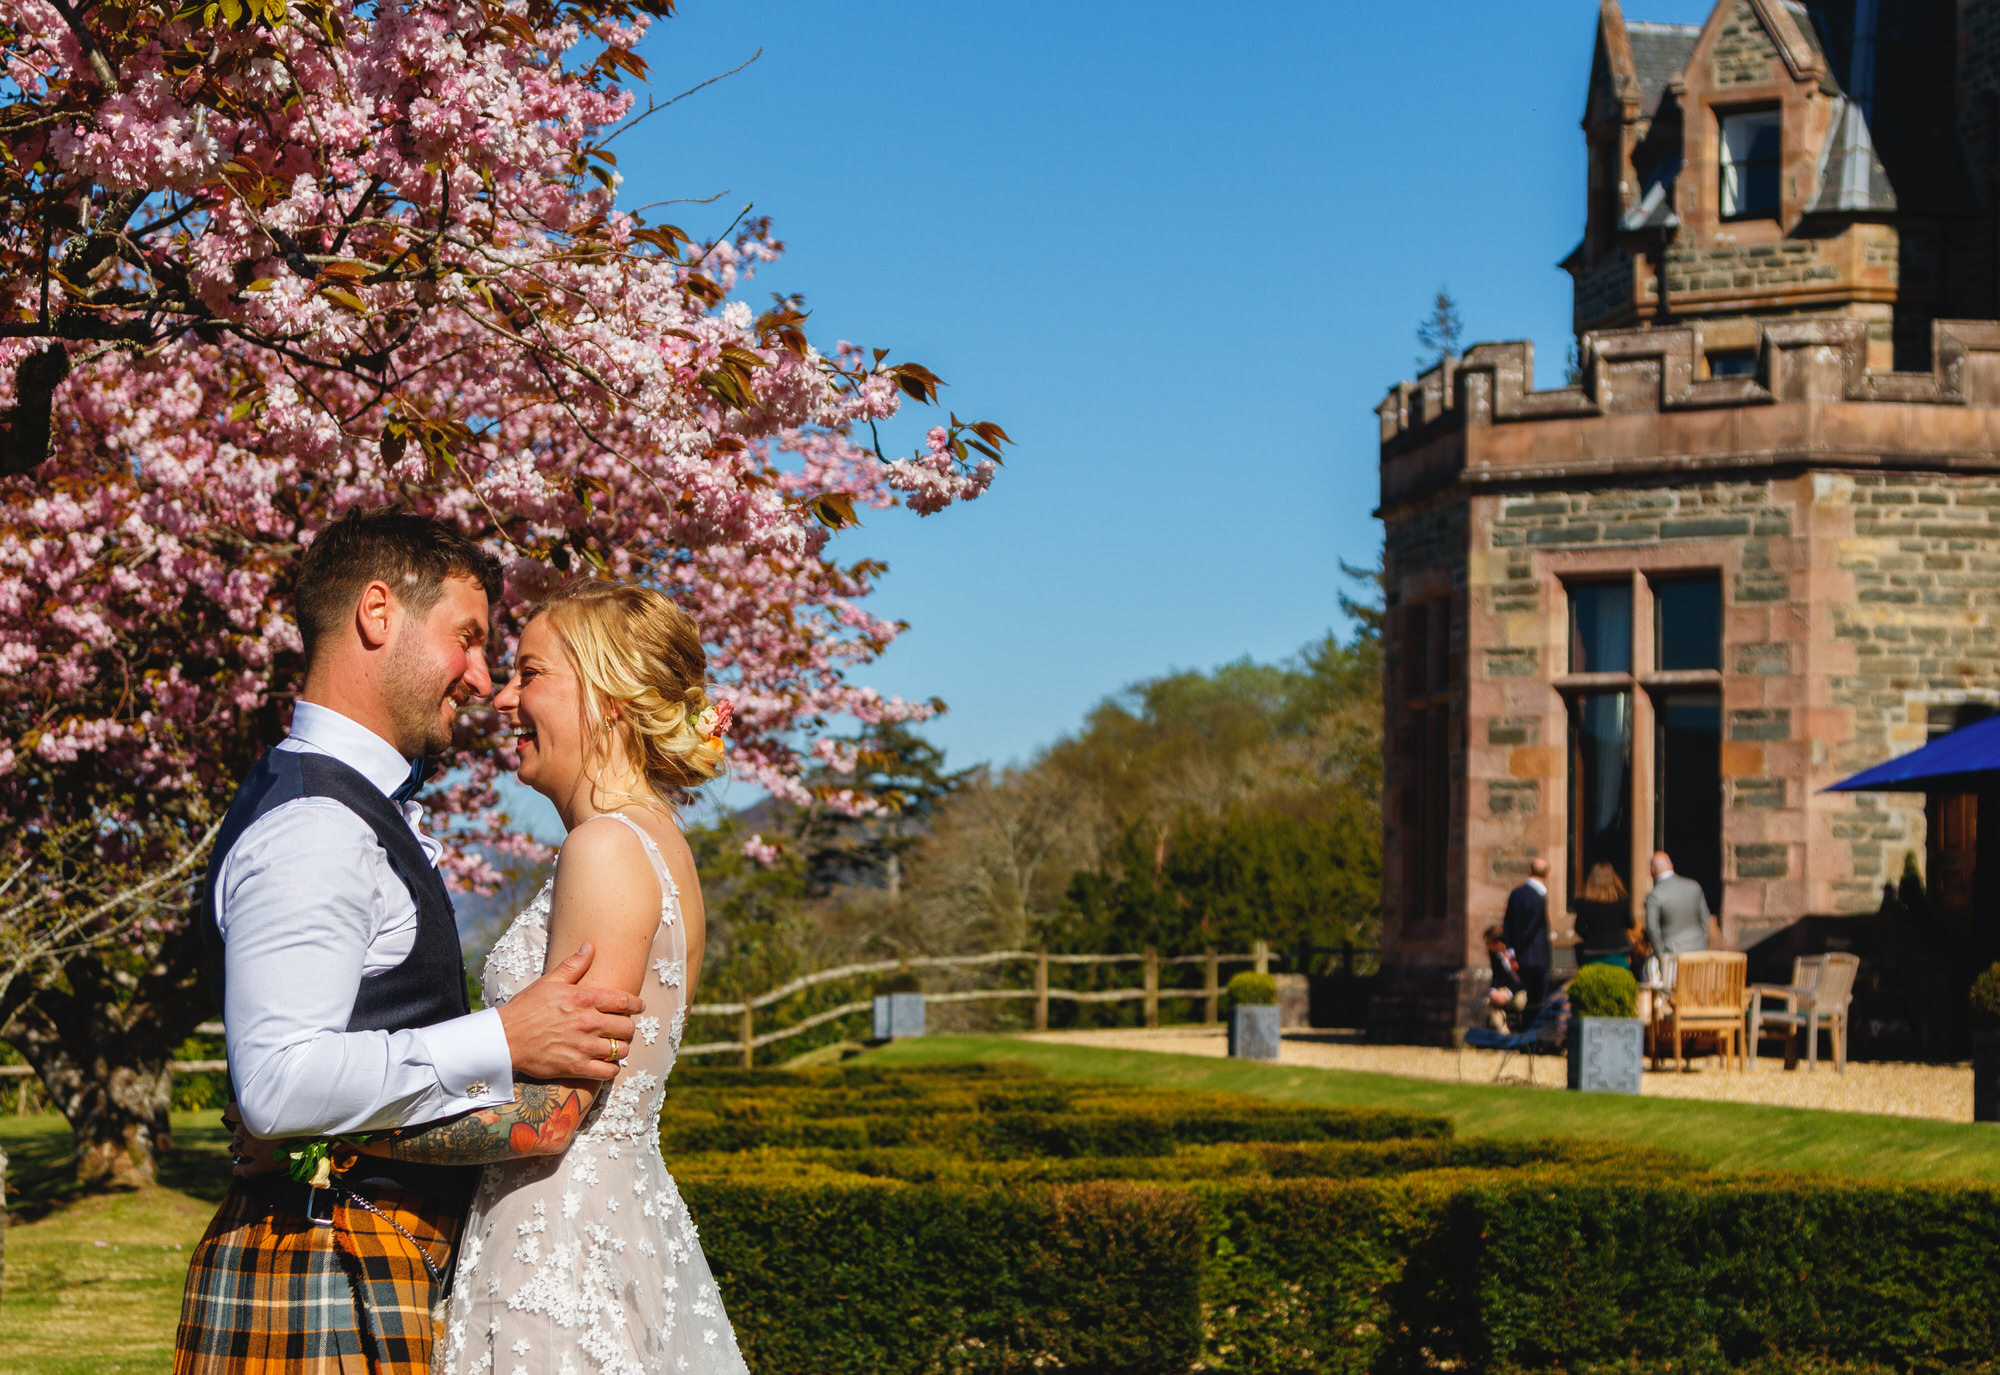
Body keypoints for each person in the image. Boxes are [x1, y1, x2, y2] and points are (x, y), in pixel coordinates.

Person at [175, 509, 646, 1375]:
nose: (481, 679)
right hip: (326, 1270)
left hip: (357, 1258)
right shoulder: (317, 823)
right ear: (378, 613)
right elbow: (279, 1084)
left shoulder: (345, 807)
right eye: (466, 638)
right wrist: (503, 1037)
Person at [389, 577, 750, 1375]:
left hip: (557, 1245)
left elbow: (553, 1114)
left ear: (611, 699)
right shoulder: (662, 845)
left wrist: (338, 1129)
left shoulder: (608, 849)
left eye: (530, 673)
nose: (503, 697)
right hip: (606, 1223)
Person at [1502, 857, 1553, 1021]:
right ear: (1547, 875)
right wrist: (1519, 948)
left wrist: (1511, 950)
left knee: (1522, 998)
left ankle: (1524, 1036)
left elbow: (1507, 923)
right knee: (1536, 1002)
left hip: (1520, 956)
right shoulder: (1539, 898)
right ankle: (1531, 1040)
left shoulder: (1515, 894)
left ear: (1529, 871)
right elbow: (1531, 928)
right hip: (1536, 957)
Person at [1644, 850, 1714, 962]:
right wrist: (1703, 941)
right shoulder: (1694, 886)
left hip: (1672, 954)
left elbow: (1652, 928)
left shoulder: (1655, 895)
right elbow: (1705, 918)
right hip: (1698, 950)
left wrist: (1660, 955)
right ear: (1671, 865)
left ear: (1652, 870)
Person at [1572, 862, 1635, 970]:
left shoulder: (1584, 903)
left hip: (1593, 949)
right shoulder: (1622, 901)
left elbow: (1579, 927)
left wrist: (1590, 936)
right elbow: (1630, 923)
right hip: (1618, 949)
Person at [1483, 924, 1525, 1032]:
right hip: (1507, 987)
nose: (1488, 948)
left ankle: (1522, 1034)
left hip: (1522, 989)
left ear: (1497, 943)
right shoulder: (1494, 955)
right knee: (1490, 1002)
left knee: (1519, 1002)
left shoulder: (1518, 950)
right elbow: (1496, 977)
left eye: (1489, 944)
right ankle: (1503, 1035)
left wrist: (1508, 994)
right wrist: (1493, 992)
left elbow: (1525, 979)